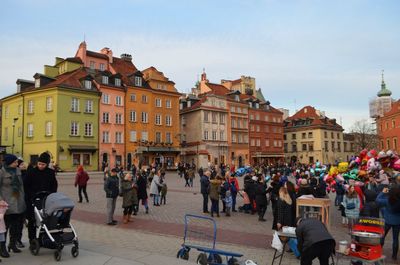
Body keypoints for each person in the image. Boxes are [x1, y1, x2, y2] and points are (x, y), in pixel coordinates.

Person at [24, 152, 57, 247]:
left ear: (47, 164)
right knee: (32, 221)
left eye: (43, 164)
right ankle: (32, 239)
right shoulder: (31, 172)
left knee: (44, 220)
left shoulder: (50, 172)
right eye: (39, 164)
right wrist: (31, 196)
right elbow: (26, 185)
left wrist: (51, 195)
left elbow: (54, 185)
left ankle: (43, 239)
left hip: (46, 200)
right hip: (32, 200)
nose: (41, 166)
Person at [0, 154, 26, 256]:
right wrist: (1, 200)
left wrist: (23, 199)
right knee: (4, 228)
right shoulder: (2, 172)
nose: (17, 163)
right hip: (6, 204)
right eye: (15, 162)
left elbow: (21, 187)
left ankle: (12, 244)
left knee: (16, 226)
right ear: (9, 162)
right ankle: (2, 248)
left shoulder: (18, 171)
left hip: (18, 203)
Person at [376, 186, 400, 260]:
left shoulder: (387, 200)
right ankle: (394, 256)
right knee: (395, 239)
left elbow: (377, 200)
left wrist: (382, 192)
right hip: (397, 221)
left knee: (383, 236)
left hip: (387, 220)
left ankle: (378, 250)